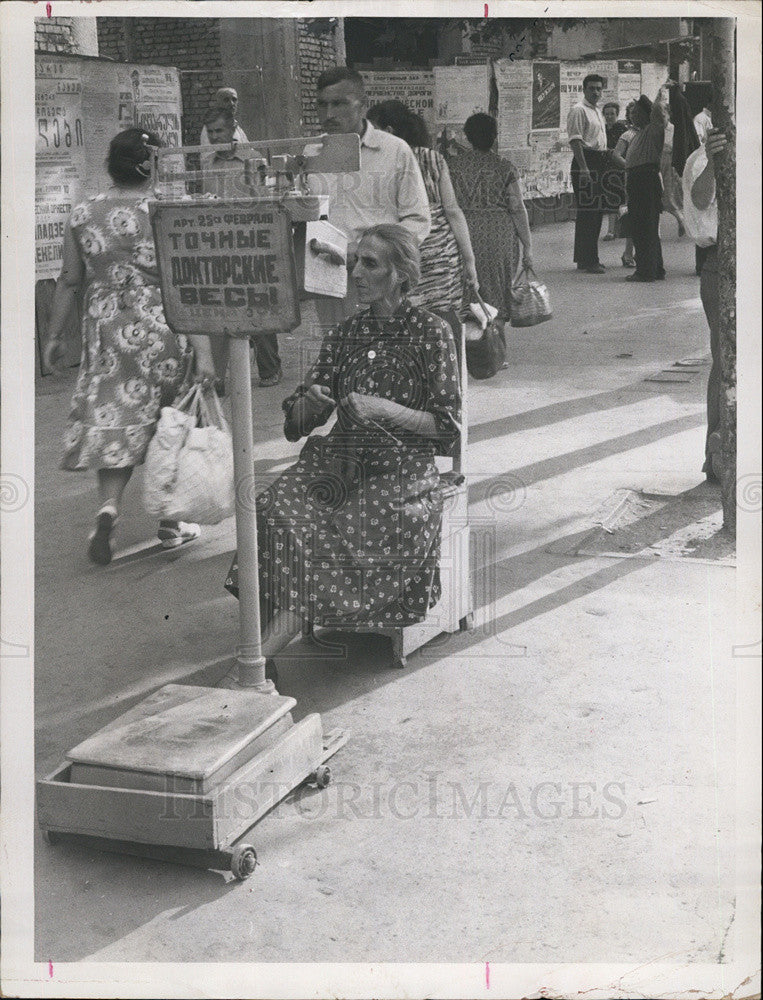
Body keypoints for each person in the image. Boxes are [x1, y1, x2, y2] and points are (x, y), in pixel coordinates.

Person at [224, 224, 461, 672]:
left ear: (401, 274)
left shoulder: (432, 333)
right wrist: (309, 407)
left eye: (369, 263)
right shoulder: (347, 333)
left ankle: (250, 665)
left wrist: (384, 408)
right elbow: (296, 426)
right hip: (339, 462)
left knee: (331, 536)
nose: (355, 272)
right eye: (355, 260)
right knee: (267, 508)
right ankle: (260, 656)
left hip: (401, 475)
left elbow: (447, 428)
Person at [43, 128, 218, 565]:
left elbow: (68, 280)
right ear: (153, 164)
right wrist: (206, 354)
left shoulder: (83, 213)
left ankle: (109, 508)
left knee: (115, 416)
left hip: (105, 328)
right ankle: (170, 522)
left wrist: (53, 336)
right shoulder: (164, 211)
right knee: (171, 421)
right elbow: (185, 282)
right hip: (163, 327)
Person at [307, 67, 430, 328]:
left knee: (383, 352)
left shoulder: (394, 151)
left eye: (339, 104)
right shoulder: (312, 154)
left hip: (380, 277)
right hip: (328, 275)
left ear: (363, 106)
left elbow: (417, 220)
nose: (328, 114)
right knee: (338, 350)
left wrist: (370, 253)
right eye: (322, 105)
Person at [366, 100, 479, 322]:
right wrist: (469, 260)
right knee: (442, 320)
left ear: (389, 131)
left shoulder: (379, 162)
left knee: (403, 321)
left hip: (401, 252)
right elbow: (453, 211)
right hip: (440, 254)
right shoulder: (432, 158)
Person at [200, 109, 281, 389]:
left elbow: (266, 200)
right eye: (210, 132)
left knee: (257, 306)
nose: (214, 137)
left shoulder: (253, 159)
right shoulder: (207, 163)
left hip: (251, 242)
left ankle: (270, 367)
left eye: (219, 131)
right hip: (218, 244)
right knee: (219, 309)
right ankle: (219, 375)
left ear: (233, 128)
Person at [448, 113, 534, 325]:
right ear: (495, 137)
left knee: (465, 293)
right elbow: (517, 209)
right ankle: (495, 351)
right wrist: (528, 246)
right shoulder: (504, 167)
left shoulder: (453, 166)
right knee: (497, 293)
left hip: (463, 234)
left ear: (467, 137)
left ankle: (466, 352)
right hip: (499, 237)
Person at [681, 128, 728, 482]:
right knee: (725, 360)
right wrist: (714, 161)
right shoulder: (700, 159)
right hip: (719, 262)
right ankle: (716, 455)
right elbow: (699, 201)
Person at [623, 92, 670, 282]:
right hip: (639, 181)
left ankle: (645, 271)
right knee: (645, 227)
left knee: (644, 227)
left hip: (645, 181)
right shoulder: (640, 132)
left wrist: (660, 93)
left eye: (635, 112)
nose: (632, 116)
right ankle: (655, 268)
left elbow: (658, 113)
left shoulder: (654, 128)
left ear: (645, 114)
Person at [567, 73, 609, 274]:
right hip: (585, 161)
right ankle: (589, 260)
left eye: (599, 88)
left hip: (599, 161)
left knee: (596, 211)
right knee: (589, 211)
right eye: (591, 88)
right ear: (584, 89)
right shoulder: (578, 110)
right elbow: (576, 141)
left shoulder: (598, 111)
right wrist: (584, 168)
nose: (595, 92)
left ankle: (585, 258)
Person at [611, 101, 638, 267]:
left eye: (639, 113)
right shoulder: (628, 135)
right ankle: (628, 253)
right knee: (633, 214)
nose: (636, 116)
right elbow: (616, 155)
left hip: (650, 177)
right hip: (633, 177)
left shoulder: (649, 132)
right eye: (632, 113)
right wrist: (630, 165)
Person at [602, 101, 629, 241]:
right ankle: (611, 231)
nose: (609, 116)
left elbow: (627, 148)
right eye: (607, 114)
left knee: (622, 199)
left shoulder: (621, 129)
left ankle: (620, 229)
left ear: (617, 114)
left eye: (612, 114)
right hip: (607, 168)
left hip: (620, 167)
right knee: (611, 199)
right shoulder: (603, 129)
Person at [199, 87, 248, 153]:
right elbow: (209, 156)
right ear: (218, 104)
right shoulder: (211, 128)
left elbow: (248, 149)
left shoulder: (236, 126)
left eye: (234, 100)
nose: (231, 103)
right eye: (226, 100)